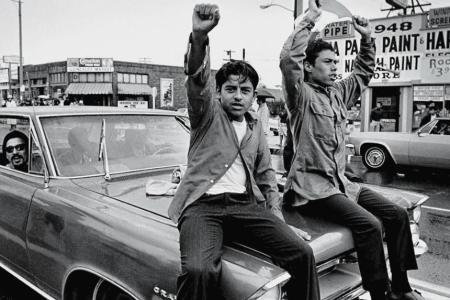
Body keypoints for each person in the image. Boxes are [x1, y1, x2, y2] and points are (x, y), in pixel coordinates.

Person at [168, 4, 320, 300]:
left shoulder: (255, 129)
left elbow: (266, 178)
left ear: (253, 95)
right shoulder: (206, 115)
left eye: (245, 90)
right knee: (200, 269)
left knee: (301, 253)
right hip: (202, 207)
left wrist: (278, 221)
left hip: (243, 206)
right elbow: (197, 80)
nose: (238, 96)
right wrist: (199, 37)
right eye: (231, 88)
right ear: (219, 91)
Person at [279, 1, 423, 300]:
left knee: (396, 215)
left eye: (336, 61)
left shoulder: (337, 92)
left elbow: (362, 72)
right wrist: (306, 22)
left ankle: (401, 288)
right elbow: (288, 62)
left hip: (342, 184)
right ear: (308, 65)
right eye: (328, 62)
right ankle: (379, 293)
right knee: (369, 225)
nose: (336, 67)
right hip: (313, 189)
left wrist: (367, 38)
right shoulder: (300, 95)